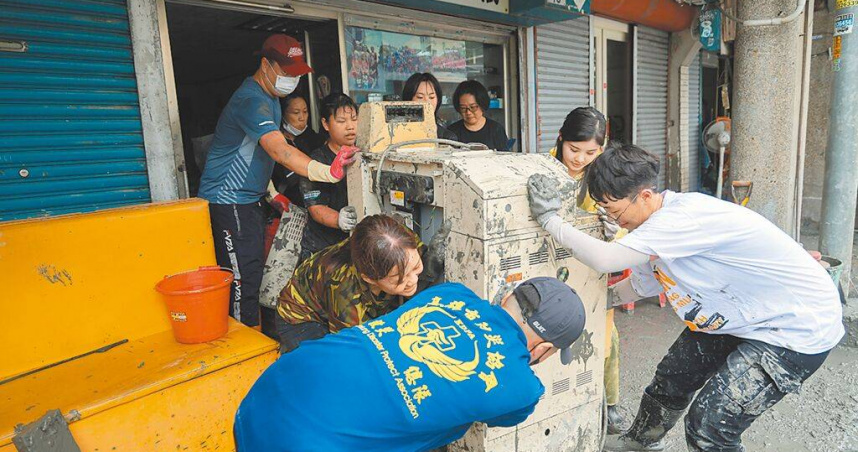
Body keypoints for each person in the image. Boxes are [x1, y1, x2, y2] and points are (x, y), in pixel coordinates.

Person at [526, 143, 844, 452]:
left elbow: (606, 259)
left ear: (645, 196)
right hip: (742, 315)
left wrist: (551, 220)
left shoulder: (681, 218)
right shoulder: (653, 228)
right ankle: (642, 442)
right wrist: (591, 305)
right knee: (673, 376)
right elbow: (642, 286)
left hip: (795, 327)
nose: (612, 218)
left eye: (613, 209)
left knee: (710, 423)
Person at [235, 277, 587, 452]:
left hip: (261, 398)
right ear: (544, 348)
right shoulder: (521, 390)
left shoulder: (450, 293)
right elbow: (497, 412)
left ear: (508, 295)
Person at [197, 34, 356, 328]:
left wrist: (270, 193)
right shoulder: (250, 99)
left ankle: (254, 339)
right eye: (286, 72)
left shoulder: (270, 99)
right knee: (242, 281)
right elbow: (278, 150)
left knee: (254, 274)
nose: (291, 80)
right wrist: (328, 171)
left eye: (296, 74)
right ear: (265, 65)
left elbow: (256, 156)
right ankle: (245, 352)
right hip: (229, 199)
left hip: (249, 199)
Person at [550, 106, 627, 434]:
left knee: (605, 337)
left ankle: (609, 404)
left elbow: (624, 223)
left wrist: (616, 230)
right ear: (560, 139)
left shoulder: (604, 176)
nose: (580, 159)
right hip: (547, 264)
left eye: (591, 152)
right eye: (574, 149)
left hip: (591, 269)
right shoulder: (539, 169)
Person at [275, 214, 450, 353]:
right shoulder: (346, 294)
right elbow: (351, 351)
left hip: (344, 301)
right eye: (399, 279)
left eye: (416, 266)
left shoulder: (398, 241)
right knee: (330, 369)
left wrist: (429, 266)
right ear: (369, 278)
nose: (412, 280)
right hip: (301, 317)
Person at [298, 93, 361, 261]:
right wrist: (339, 219)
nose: (350, 127)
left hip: (354, 245)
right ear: (325, 124)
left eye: (354, 119)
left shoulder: (364, 153)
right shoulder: (316, 161)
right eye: (341, 121)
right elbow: (315, 208)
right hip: (322, 249)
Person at [271, 93, 325, 208]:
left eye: (305, 112)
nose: (302, 117)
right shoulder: (275, 142)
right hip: (290, 204)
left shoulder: (312, 138)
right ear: (282, 114)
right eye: (296, 113)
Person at [448, 80, 509, 151]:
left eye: (473, 107)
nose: (468, 112)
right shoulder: (452, 132)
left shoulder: (496, 130)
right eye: (463, 108)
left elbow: (504, 158)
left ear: (482, 105)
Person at [401, 72, 458, 141]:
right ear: (408, 100)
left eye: (431, 97)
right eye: (420, 97)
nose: (427, 102)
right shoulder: (396, 133)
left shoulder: (447, 138)